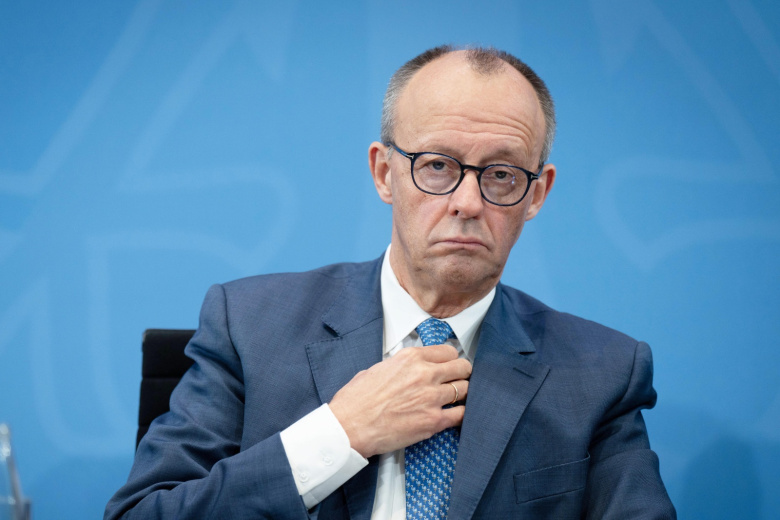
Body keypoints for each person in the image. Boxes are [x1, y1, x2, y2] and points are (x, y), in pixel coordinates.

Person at [105, 45, 676, 519]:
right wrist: (341, 434)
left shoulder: (602, 373)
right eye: (438, 166)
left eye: (501, 174)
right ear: (384, 173)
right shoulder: (248, 325)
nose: (468, 202)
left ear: (536, 194)